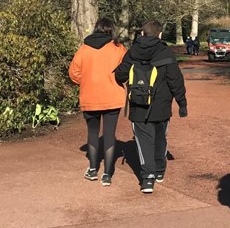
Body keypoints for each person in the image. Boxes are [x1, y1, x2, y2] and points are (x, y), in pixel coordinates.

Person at [115, 19, 188, 193]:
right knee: (160, 137)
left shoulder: (133, 52)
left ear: (142, 34)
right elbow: (175, 80)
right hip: (162, 105)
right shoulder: (166, 53)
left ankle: (148, 178)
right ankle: (160, 170)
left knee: (144, 141)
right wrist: (182, 103)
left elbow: (120, 75)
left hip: (139, 105)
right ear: (160, 34)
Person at [68, 18, 127, 186]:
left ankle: (93, 169)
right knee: (109, 135)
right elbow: (125, 70)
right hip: (112, 96)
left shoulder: (84, 49)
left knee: (92, 133)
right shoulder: (118, 49)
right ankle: (107, 174)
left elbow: (73, 73)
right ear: (112, 30)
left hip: (90, 96)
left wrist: (86, 80)